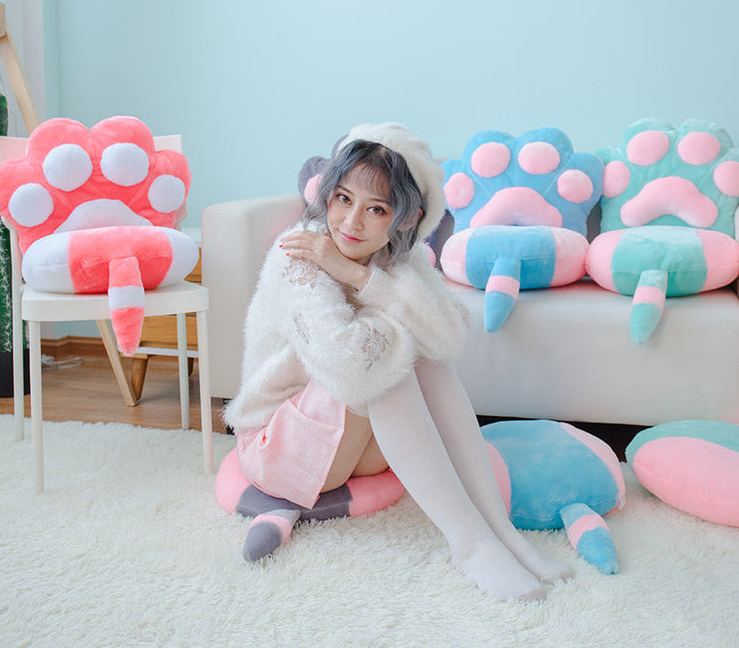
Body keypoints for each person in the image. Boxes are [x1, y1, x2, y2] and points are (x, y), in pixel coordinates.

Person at [223, 123, 572, 601]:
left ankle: (500, 531)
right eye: (342, 198)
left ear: (407, 219)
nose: (351, 223)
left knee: (423, 357)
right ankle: (469, 544)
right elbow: (350, 367)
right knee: (389, 367)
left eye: (376, 209)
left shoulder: (396, 258)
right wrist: (400, 316)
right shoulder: (298, 255)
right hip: (277, 447)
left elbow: (449, 338)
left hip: (349, 448)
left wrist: (357, 276)